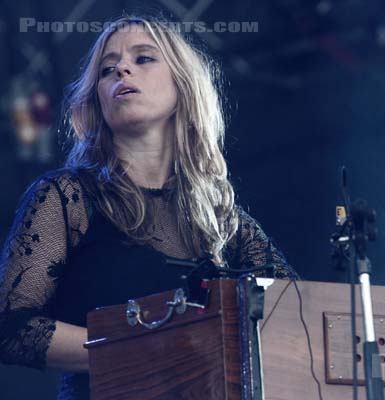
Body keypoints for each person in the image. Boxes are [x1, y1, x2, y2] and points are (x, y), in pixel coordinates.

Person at [0, 16, 296, 400]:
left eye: (143, 59)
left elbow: (297, 316)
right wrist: (135, 350)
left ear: (183, 85)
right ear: (98, 101)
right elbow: (10, 326)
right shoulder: (66, 196)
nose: (122, 69)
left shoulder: (224, 220)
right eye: (108, 69)